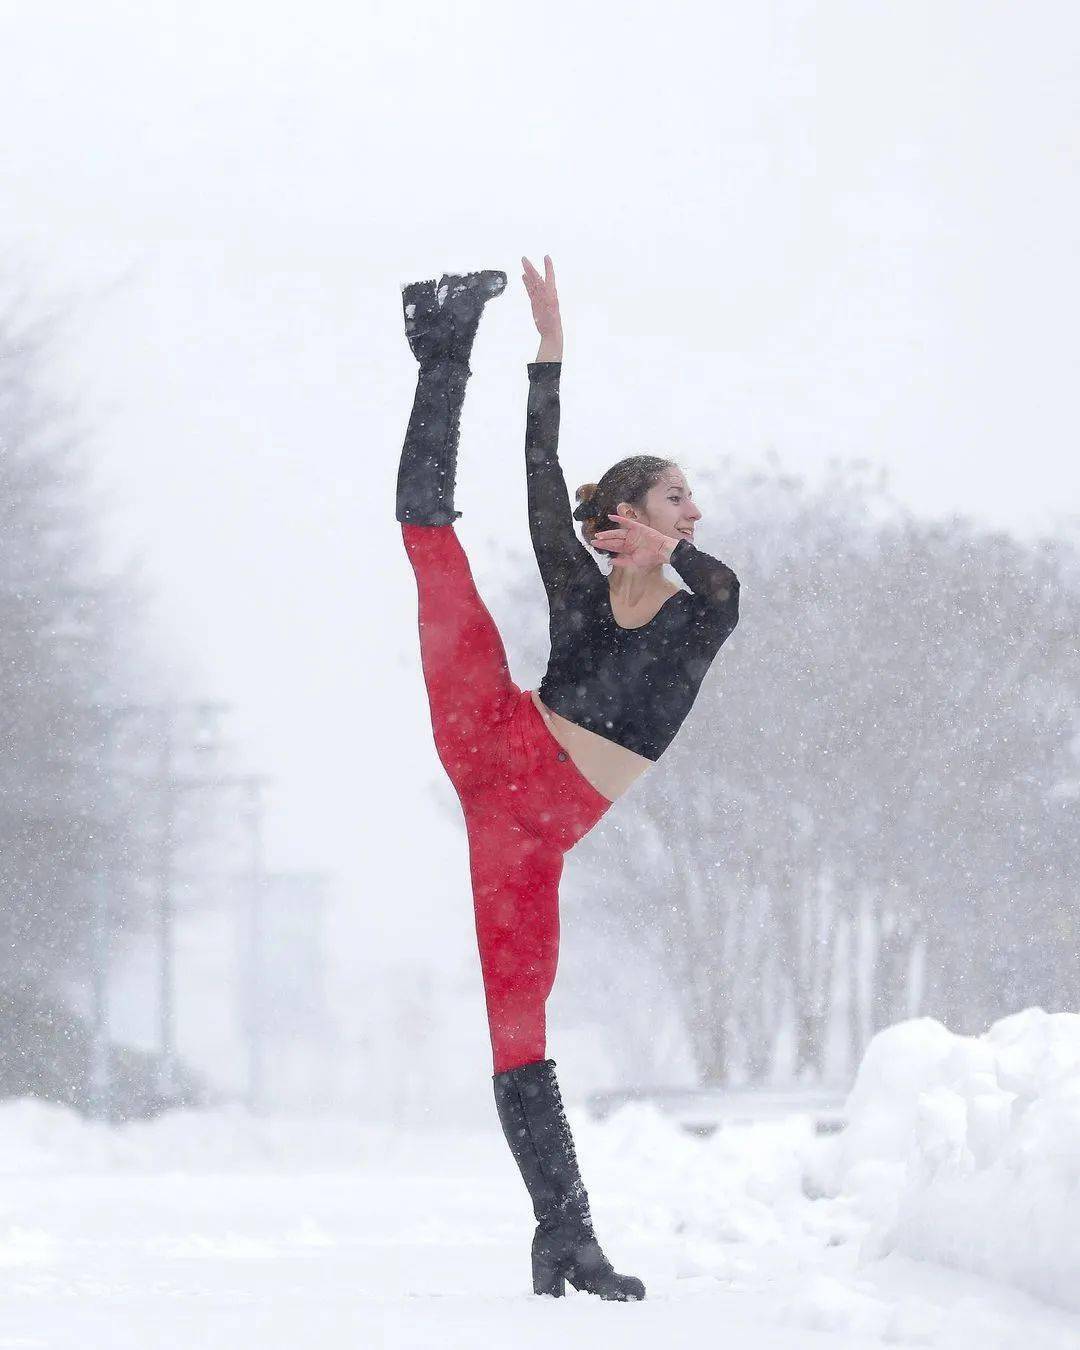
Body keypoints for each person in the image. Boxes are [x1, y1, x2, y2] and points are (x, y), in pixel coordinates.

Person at [396, 258, 740, 1302]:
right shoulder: (577, 590)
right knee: (429, 542)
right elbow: (540, 468)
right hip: (496, 739)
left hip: (531, 838)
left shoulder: (699, 610)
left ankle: (565, 1235)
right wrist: (547, 357)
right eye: (678, 493)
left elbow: (722, 580)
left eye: (689, 500)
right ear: (632, 507)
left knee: (519, 1023)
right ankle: (440, 346)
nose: (694, 506)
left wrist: (672, 550)